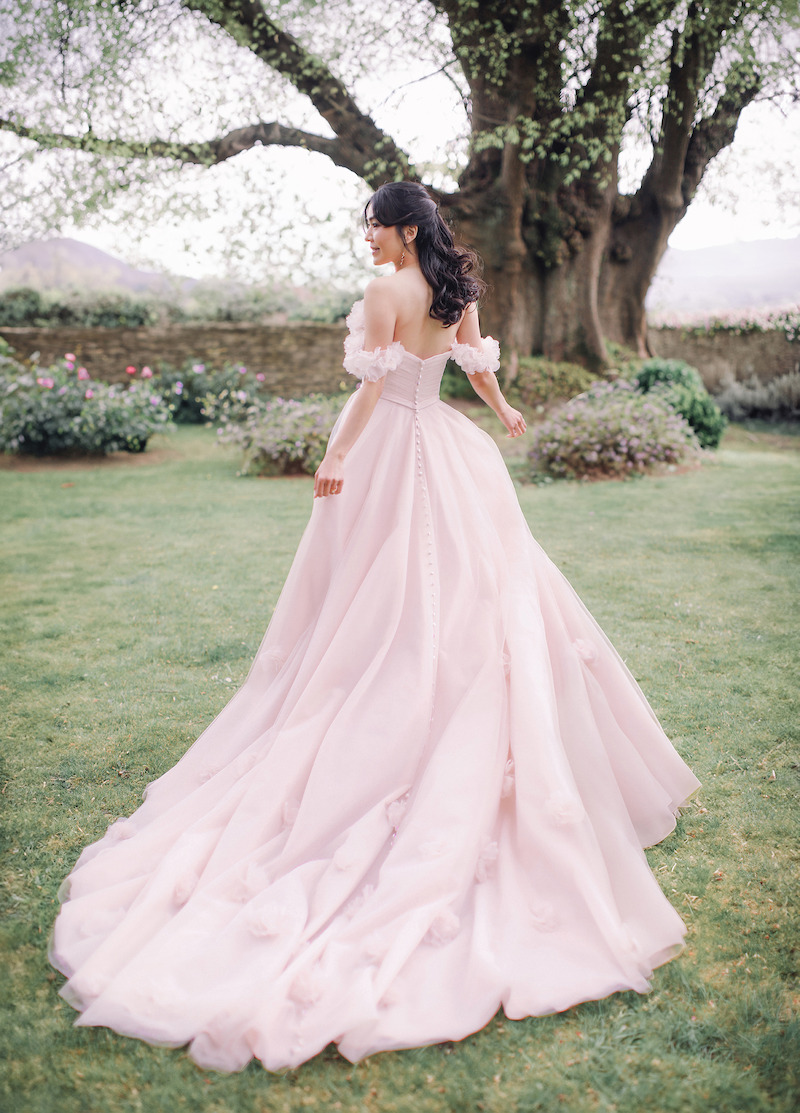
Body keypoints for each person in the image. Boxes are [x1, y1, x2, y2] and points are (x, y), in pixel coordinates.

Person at [49, 182, 700, 1073]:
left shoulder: (387, 293)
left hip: (397, 447)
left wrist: (336, 451)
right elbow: (472, 362)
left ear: (403, 227)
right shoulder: (454, 287)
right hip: (452, 447)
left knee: (400, 592)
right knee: (471, 587)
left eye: (374, 226)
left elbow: (373, 390)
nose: (366, 241)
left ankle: (396, 690)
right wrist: (502, 410)